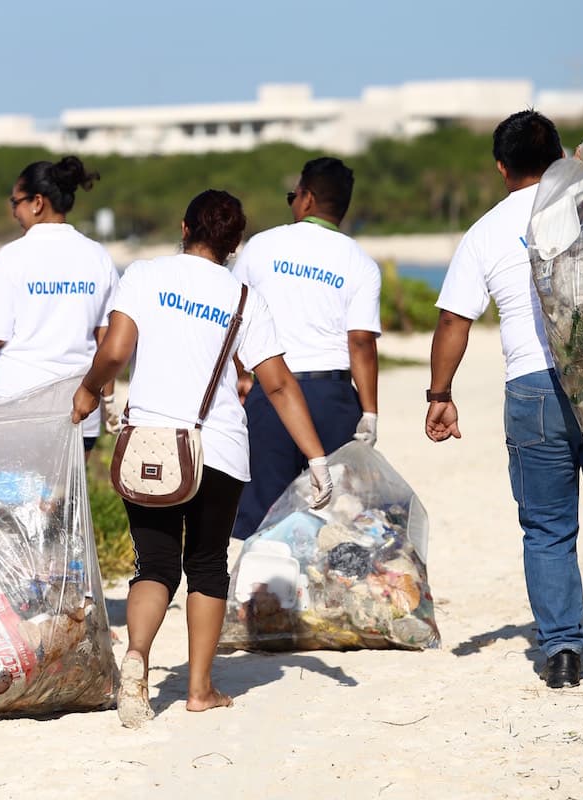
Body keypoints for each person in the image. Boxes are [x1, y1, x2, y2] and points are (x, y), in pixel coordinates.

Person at [72, 190, 334, 728]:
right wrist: (316, 457)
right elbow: (278, 383)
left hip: (151, 444)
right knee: (208, 567)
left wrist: (89, 390)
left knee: (154, 563)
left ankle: (138, 658)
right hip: (218, 447)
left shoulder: (145, 275)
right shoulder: (244, 298)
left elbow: (116, 349)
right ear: (235, 243)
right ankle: (198, 688)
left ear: (184, 225)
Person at [423, 111, 583, 689]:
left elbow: (454, 321)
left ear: (501, 169)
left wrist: (440, 394)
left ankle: (563, 653)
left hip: (532, 389)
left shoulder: (483, 232)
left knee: (546, 528)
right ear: (558, 155)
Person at [229, 156, 381, 540]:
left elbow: (232, 320)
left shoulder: (261, 246)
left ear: (307, 198)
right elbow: (360, 342)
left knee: (265, 512)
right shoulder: (360, 262)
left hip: (270, 394)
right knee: (335, 511)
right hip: (331, 397)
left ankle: (264, 594)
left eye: (291, 195)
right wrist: (369, 412)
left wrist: (241, 375)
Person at [0, 156, 120, 451]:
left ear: (37, 202)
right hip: (78, 405)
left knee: (9, 496)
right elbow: (107, 342)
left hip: (15, 402)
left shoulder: (13, 255)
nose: (15, 212)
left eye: (15, 202)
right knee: (68, 498)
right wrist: (107, 398)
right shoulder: (98, 256)